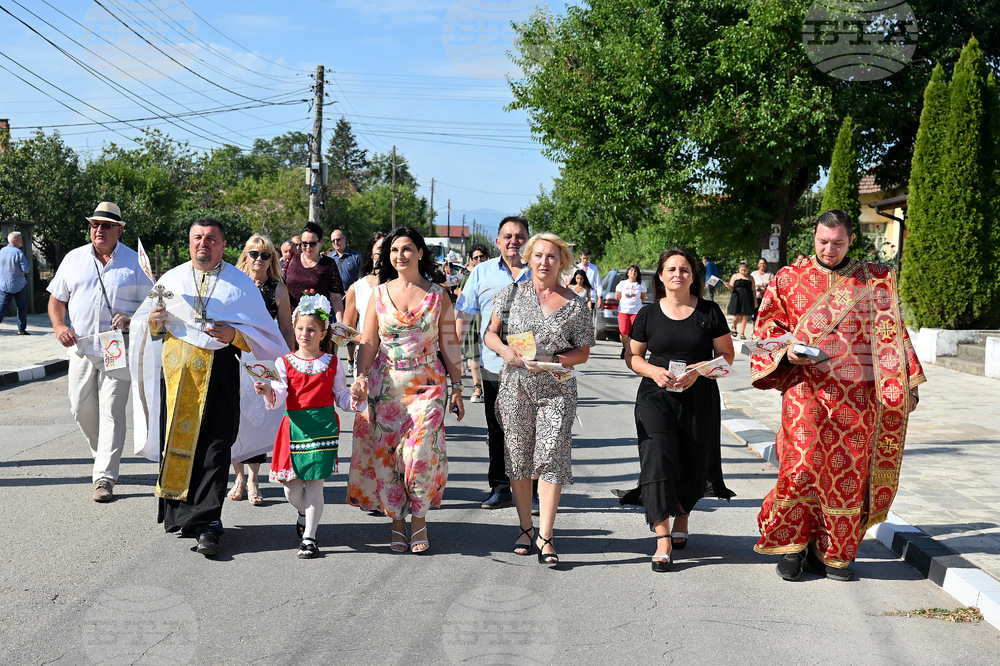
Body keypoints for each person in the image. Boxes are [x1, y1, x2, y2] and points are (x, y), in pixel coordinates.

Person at [751, 209, 925, 582]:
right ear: (814, 237)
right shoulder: (788, 278)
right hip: (805, 388)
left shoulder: (873, 281)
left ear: (850, 241)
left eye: (838, 243)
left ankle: (831, 551)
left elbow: (893, 330)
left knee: (846, 471)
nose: (829, 249)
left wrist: (906, 382)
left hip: (857, 394)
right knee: (802, 464)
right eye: (823, 242)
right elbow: (768, 326)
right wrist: (786, 352)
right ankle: (791, 545)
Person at [129, 218, 287, 557]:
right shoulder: (170, 280)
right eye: (197, 237)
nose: (204, 243)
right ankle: (183, 516)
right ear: (190, 242)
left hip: (221, 376)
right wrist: (154, 324)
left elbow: (268, 338)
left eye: (211, 238)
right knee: (179, 444)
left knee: (216, 447)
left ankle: (209, 523)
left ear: (223, 245)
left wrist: (236, 335)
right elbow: (146, 326)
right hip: (176, 379)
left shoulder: (240, 285)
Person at [350, 226, 465, 553]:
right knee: (387, 458)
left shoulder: (438, 295)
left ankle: (419, 521)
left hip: (427, 384)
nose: (400, 256)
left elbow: (450, 342)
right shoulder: (379, 294)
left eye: (406, 249)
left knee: (418, 457)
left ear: (420, 252)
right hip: (385, 385)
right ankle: (397, 523)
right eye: (394, 250)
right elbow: (369, 341)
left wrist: (457, 386)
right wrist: (360, 376)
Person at [484, 232, 594, 566]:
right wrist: (506, 351)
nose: (544, 262)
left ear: (562, 262)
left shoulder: (575, 303)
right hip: (516, 385)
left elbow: (584, 351)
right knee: (518, 457)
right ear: (529, 258)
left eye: (551, 257)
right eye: (538, 255)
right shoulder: (511, 293)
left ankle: (546, 535)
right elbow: (490, 333)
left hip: (557, 389)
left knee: (550, 456)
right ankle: (525, 528)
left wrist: (556, 361)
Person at [625, 248, 735, 572]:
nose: (677, 274)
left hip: (698, 396)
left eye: (684, 269)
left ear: (693, 276)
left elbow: (726, 356)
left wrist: (698, 370)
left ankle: (683, 514)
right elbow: (633, 357)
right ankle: (662, 539)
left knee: (693, 460)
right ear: (660, 276)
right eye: (671, 269)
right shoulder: (647, 314)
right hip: (655, 396)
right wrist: (653, 371)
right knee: (656, 457)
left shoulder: (710, 311)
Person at [47, 202, 152, 502]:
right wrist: (57, 327)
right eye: (95, 224)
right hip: (80, 344)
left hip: (117, 345)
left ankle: (104, 477)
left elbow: (155, 303)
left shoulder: (135, 262)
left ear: (119, 230)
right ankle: (103, 456)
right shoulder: (74, 259)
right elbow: (56, 300)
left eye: (106, 225)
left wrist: (133, 318)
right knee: (80, 410)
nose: (99, 230)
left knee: (112, 411)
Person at [255, 292, 361, 558]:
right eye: (300, 328)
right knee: (291, 489)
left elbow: (342, 397)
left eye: (311, 329)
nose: (305, 334)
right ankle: (303, 513)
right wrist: (269, 391)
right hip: (294, 427)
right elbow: (280, 395)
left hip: (323, 427)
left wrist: (357, 397)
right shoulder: (284, 362)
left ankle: (310, 538)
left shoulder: (332, 363)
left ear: (323, 333)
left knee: (315, 484)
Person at [455, 217, 532, 510]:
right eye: (507, 236)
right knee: (497, 427)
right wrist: (453, 359)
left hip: (532, 365)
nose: (514, 240)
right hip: (492, 363)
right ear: (497, 242)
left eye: (520, 236)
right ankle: (500, 488)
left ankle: (533, 490)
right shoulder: (481, 273)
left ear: (528, 239)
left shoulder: (540, 272)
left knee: (531, 429)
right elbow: (464, 318)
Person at [228, 235, 295, 506]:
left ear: (272, 260)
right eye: (254, 253)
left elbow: (287, 329)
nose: (259, 259)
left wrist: (290, 363)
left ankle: (254, 478)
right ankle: (239, 477)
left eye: (265, 255)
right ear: (245, 255)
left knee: (259, 418)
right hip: (234, 358)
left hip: (264, 361)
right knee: (236, 418)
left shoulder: (278, 289)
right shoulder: (233, 285)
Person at [345, 230, 388, 514]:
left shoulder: (404, 285)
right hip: (368, 364)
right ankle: (370, 492)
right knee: (370, 430)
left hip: (400, 365)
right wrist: (364, 340)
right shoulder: (358, 288)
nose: (383, 256)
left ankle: (395, 489)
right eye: (379, 250)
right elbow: (348, 331)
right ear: (370, 254)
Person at [284, 222, 344, 320]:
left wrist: (340, 323)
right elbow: (279, 286)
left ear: (320, 243)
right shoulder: (290, 259)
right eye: (304, 244)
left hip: (317, 323)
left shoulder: (329, 264)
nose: (308, 247)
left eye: (312, 244)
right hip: (290, 321)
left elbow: (336, 298)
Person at [456, 244, 489, 403]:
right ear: (471, 260)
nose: (479, 260)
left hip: (490, 320)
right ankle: (478, 387)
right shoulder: (467, 277)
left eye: (481, 256)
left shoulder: (492, 275)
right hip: (472, 320)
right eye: (475, 257)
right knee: (474, 356)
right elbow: (460, 301)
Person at [328, 229, 363, 373]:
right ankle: (333, 361)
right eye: (333, 241)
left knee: (349, 331)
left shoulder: (356, 257)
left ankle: (350, 359)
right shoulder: (329, 258)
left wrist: (353, 289)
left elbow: (363, 277)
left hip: (350, 301)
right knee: (332, 331)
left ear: (345, 239)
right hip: (332, 302)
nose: (336, 243)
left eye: (339, 239)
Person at [615, 264, 647, 359]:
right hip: (624, 310)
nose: (633, 273)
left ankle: (633, 350)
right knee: (624, 331)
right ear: (628, 272)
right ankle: (625, 347)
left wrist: (635, 304)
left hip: (636, 311)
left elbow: (643, 297)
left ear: (637, 273)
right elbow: (617, 297)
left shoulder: (641, 284)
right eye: (631, 270)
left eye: (635, 271)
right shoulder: (622, 283)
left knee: (634, 332)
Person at [1, 231, 30, 335]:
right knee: (21, 307)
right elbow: (26, 269)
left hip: (4, 284)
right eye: (21, 239)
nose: (22, 241)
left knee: (1, 306)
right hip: (18, 285)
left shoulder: (2, 251)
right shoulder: (18, 252)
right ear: (16, 240)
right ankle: (21, 330)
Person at [725, 261, 757, 339]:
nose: (743, 272)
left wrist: (755, 301)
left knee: (745, 316)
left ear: (747, 270)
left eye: (745, 270)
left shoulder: (750, 278)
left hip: (747, 298)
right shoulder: (735, 276)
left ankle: (742, 333)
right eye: (742, 270)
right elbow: (731, 287)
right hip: (736, 297)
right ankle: (734, 327)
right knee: (736, 316)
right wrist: (727, 285)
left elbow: (753, 290)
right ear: (739, 269)